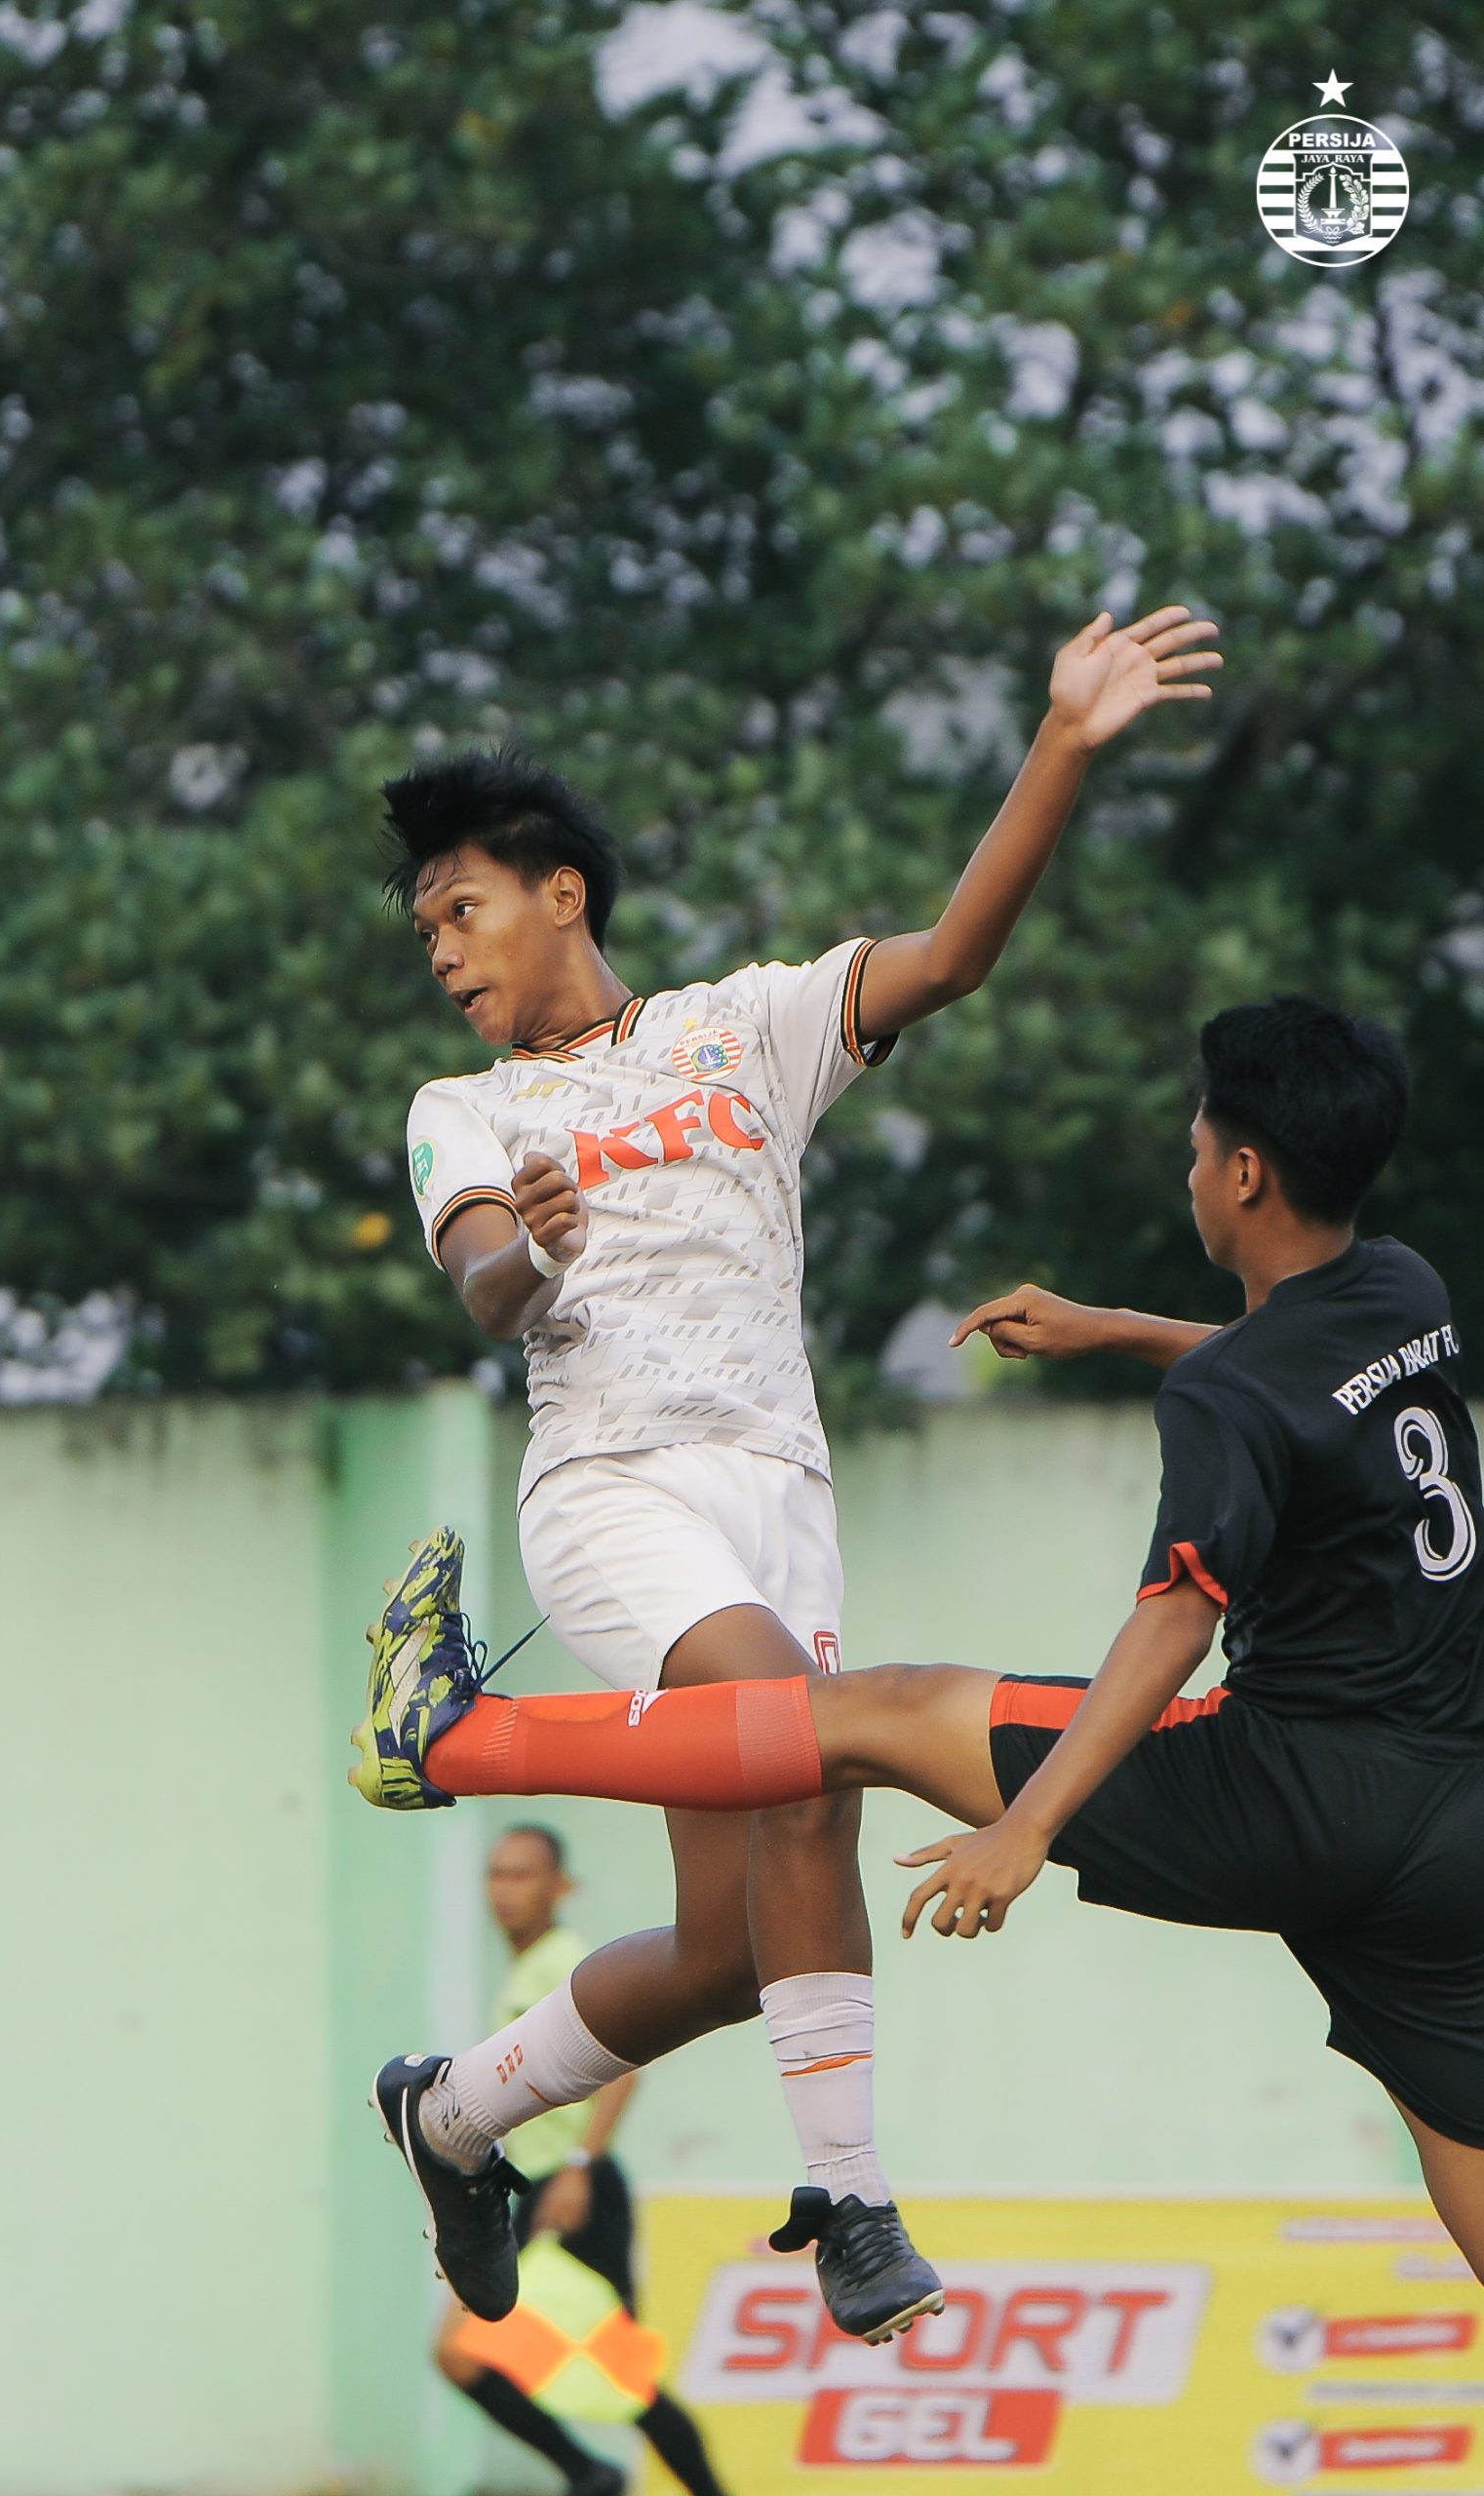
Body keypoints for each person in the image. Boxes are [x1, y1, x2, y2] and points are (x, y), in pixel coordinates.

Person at [355, 604, 1221, 2339]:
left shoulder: (750, 1025)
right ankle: (852, 2204)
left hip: (782, 1503)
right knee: (809, 1758)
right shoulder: (466, 1106)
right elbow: (484, 1286)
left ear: (560, 893)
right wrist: (533, 1250)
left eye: (462, 909)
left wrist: (1063, 738)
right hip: (615, 1496)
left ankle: (449, 2116)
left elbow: (953, 955)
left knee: (736, 1949)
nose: (441, 951)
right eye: (426, 928)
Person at [365, 998, 1484, 2278]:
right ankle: (455, 2111)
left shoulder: (1227, 1401)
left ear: (1242, 1175)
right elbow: (1303, 1377)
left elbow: (1177, 1618)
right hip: (1450, 1827)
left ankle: (459, 1740)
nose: (1186, 1170)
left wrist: (1029, 1826)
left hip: (1285, 1794)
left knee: (873, 1716)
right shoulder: (1405, 1292)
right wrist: (1115, 1329)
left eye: (1193, 1149)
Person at [439, 1826, 727, 2496]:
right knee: (474, 2355)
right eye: (496, 1874)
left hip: (575, 2193)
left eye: (522, 1875)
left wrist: (577, 2167)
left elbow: (622, 2071)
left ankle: (600, 2474)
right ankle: (589, 2473)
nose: (504, 1890)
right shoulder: (528, 1968)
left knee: (621, 2375)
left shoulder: (563, 1964)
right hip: (535, 2191)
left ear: (560, 1886)